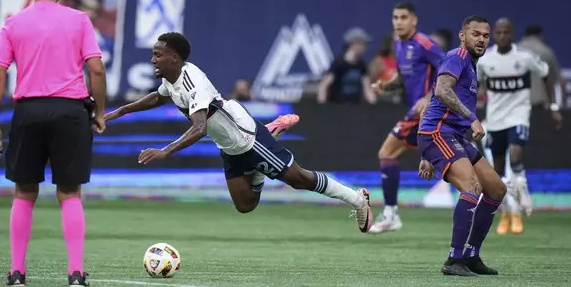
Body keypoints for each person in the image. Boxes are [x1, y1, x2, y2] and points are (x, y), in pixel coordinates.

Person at [104, 32, 374, 232]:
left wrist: (165, 151)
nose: (153, 59)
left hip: (245, 136)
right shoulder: (171, 78)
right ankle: (258, 166)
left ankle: (357, 199)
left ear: (174, 58)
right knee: (245, 205)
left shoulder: (193, 82)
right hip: (228, 143)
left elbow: (198, 129)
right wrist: (118, 112)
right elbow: (156, 98)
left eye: (157, 54)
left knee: (299, 179)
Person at [0, 0, 106, 287]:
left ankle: (17, 272)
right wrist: (98, 113)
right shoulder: (79, 20)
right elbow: (96, 69)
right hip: (70, 112)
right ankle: (76, 273)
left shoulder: (13, 24)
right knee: (70, 192)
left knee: (24, 192)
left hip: (29, 111)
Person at [417, 15, 507, 277]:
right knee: (470, 187)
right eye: (475, 34)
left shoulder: (470, 63)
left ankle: (471, 256)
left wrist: (425, 156)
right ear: (463, 35)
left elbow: (428, 104)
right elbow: (442, 91)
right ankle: (453, 260)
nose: (481, 39)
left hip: (452, 135)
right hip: (439, 133)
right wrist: (472, 118)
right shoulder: (457, 57)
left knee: (496, 189)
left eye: (485, 36)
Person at [477, 18, 562, 235]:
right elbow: (476, 87)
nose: (503, 36)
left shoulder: (524, 58)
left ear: (512, 34)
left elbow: (546, 75)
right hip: (495, 120)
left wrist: (552, 106)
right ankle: (507, 213)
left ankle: (522, 193)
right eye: (499, 32)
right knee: (497, 172)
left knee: (515, 157)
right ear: (493, 35)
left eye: (507, 32)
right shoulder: (486, 61)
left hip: (519, 116)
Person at [369, 2, 444, 233]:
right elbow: (403, 76)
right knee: (451, 158)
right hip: (419, 111)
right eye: (395, 17)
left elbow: (449, 71)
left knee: (386, 152)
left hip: (428, 110)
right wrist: (386, 86)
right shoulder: (399, 44)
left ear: (414, 20)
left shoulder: (424, 43)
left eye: (403, 17)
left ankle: (391, 214)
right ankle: (486, 192)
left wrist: (430, 97)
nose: (398, 22)